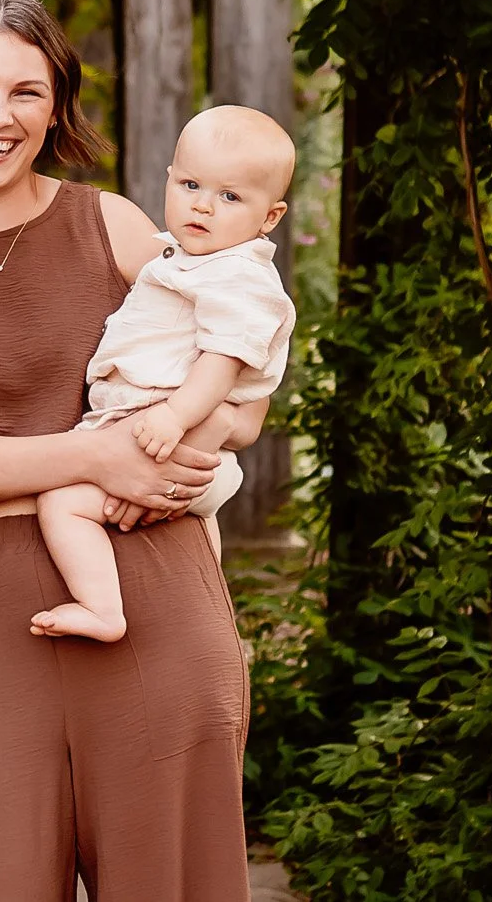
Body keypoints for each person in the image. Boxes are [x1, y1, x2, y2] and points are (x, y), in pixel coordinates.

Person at [0, 0, 267, 901]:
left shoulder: (109, 222)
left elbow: (241, 392)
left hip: (156, 585)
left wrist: (178, 449)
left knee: (171, 882)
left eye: (27, 92)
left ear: (56, 104)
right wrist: (97, 455)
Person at [33, 104, 296, 642]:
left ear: (269, 217)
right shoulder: (186, 260)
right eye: (192, 184)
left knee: (61, 503)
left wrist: (175, 419)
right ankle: (208, 618)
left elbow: (224, 360)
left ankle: (102, 608)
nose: (202, 205)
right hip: (161, 433)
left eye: (230, 196)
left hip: (173, 435)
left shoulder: (239, 276)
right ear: (169, 179)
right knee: (196, 536)